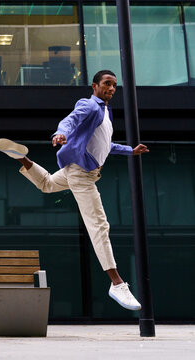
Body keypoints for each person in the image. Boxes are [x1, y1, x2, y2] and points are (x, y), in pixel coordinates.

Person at [10, 70, 148, 311]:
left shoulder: (105, 112)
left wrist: (130, 151)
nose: (112, 88)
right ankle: (116, 283)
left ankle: (24, 160)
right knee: (99, 225)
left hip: (80, 171)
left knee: (48, 184)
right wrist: (60, 133)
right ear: (94, 86)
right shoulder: (90, 106)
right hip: (82, 175)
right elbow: (71, 120)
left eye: (115, 85)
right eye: (107, 83)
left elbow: (105, 146)